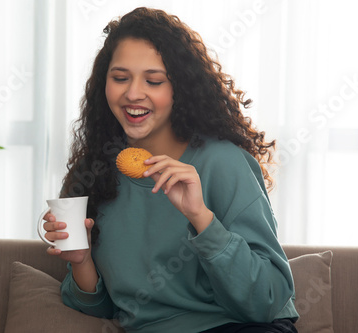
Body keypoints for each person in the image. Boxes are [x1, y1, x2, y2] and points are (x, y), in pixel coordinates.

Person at [42, 7, 299, 333]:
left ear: (181, 88)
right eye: (120, 78)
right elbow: (107, 307)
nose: (133, 93)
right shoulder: (95, 171)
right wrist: (81, 260)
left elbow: (269, 299)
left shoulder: (223, 163)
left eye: (154, 80)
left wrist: (201, 218)